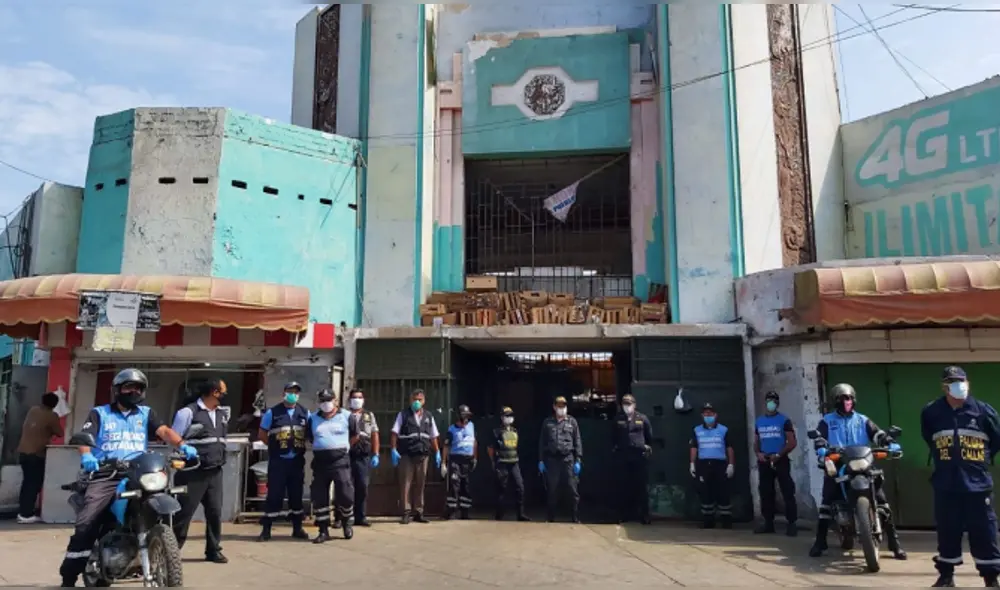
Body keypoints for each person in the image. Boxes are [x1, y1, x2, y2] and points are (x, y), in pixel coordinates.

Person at [59, 369, 197, 587]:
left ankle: (154, 543)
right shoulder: (100, 413)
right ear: (117, 390)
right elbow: (85, 439)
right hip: (106, 473)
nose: (133, 391)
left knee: (166, 496)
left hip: (137, 471)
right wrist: (86, 456)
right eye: (128, 387)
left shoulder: (146, 413)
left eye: (138, 388)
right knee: (88, 521)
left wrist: (182, 445)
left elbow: (164, 431)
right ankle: (70, 574)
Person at [921, 366, 1000, 587]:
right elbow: (929, 437)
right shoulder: (931, 413)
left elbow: (996, 440)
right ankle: (946, 576)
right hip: (946, 483)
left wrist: (978, 460)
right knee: (947, 530)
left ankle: (991, 578)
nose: (959, 385)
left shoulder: (984, 411)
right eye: (953, 382)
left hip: (977, 484)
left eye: (962, 381)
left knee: (984, 531)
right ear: (945, 387)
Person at [810, 383, 906, 560]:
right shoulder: (827, 421)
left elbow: (878, 434)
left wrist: (889, 442)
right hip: (839, 464)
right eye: (842, 398)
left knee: (882, 501)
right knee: (827, 500)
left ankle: (894, 543)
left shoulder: (862, 419)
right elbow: (820, 436)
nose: (846, 401)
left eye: (849, 398)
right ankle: (820, 542)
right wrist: (821, 445)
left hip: (863, 462)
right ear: (835, 401)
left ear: (854, 400)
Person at [170, 378, 230, 564]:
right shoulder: (187, 412)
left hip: (215, 471)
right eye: (223, 391)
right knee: (183, 513)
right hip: (192, 472)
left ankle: (213, 550)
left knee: (214, 512)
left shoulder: (221, 414)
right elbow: (174, 438)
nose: (225, 395)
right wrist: (184, 452)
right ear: (214, 392)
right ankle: (171, 552)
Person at [256, 382, 310, 542]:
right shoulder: (272, 413)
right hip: (278, 461)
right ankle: (266, 529)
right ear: (283, 393)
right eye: (289, 391)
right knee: (274, 495)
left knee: (296, 496)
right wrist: (274, 447)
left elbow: (308, 434)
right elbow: (262, 434)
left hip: (296, 461)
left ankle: (297, 528)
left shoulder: (304, 413)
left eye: (295, 392)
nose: (292, 394)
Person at [307, 389, 355, 543]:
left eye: (329, 400)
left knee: (345, 493)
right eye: (323, 401)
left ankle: (346, 522)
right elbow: (309, 437)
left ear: (336, 400)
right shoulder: (313, 418)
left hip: (340, 461)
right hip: (320, 463)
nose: (326, 404)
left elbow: (355, 436)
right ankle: (323, 530)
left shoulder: (347, 416)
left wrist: (341, 448)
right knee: (320, 496)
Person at [390, 388, 441, 524]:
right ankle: (406, 512)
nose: (417, 402)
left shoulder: (428, 416)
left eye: (420, 400)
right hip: (406, 454)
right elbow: (394, 433)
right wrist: (393, 449)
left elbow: (433, 436)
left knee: (421, 484)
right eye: (415, 399)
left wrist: (437, 452)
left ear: (424, 401)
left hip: (423, 454)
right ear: (410, 400)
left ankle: (419, 512)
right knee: (406, 484)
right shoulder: (403, 415)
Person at [753, 391, 798, 536]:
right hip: (765, 461)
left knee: (787, 491)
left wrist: (779, 455)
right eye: (768, 400)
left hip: (780, 460)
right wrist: (758, 454)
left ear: (777, 403)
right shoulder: (759, 421)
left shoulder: (784, 420)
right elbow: (756, 441)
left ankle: (792, 524)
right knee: (766, 492)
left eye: (773, 400)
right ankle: (768, 523)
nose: (770, 403)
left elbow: (792, 442)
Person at [16, 391, 63, 523]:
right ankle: (26, 515)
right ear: (55, 405)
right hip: (36, 455)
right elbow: (60, 432)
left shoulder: (33, 410)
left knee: (27, 483)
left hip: (23, 452)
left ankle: (23, 512)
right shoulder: (52, 415)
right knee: (34, 484)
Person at [689, 403, 735, 529]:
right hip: (704, 464)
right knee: (705, 492)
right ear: (702, 415)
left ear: (716, 415)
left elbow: (729, 448)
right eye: (705, 413)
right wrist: (692, 463)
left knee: (723, 492)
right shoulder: (697, 430)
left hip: (720, 464)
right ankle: (708, 520)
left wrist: (731, 464)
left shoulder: (723, 430)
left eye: (710, 413)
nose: (708, 416)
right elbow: (694, 448)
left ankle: (726, 520)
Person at [538, 396, 583, 523]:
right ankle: (550, 517)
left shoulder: (572, 422)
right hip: (552, 460)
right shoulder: (548, 422)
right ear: (554, 407)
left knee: (572, 489)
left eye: (563, 406)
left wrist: (578, 459)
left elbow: (577, 441)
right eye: (559, 406)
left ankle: (575, 517)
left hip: (568, 459)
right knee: (552, 489)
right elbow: (542, 442)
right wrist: (541, 460)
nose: (561, 409)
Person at [611, 393, 653, 524]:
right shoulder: (618, 419)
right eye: (625, 404)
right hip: (623, 456)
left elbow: (649, 435)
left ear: (634, 405)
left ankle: (644, 515)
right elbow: (612, 436)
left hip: (638, 456)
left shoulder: (642, 418)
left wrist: (645, 446)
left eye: (629, 404)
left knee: (641, 486)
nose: (627, 407)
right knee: (623, 486)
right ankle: (623, 515)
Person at [346, 388, 379, 528]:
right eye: (354, 397)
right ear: (349, 400)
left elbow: (375, 434)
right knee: (345, 486)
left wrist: (376, 453)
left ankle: (361, 516)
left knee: (362, 486)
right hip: (347, 454)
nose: (357, 400)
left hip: (363, 455)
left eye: (359, 397)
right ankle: (342, 517)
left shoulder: (368, 415)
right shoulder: (344, 414)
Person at [490, 406, 528, 521]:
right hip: (502, 463)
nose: (509, 418)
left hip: (514, 462)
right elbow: (491, 448)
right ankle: (499, 514)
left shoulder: (515, 431)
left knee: (520, 487)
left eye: (511, 416)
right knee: (502, 489)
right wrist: (493, 462)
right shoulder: (496, 432)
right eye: (507, 416)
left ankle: (520, 514)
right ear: (502, 417)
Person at [442, 404, 477, 520]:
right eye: (464, 416)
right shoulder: (452, 429)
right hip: (455, 459)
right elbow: (446, 446)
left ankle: (465, 512)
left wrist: (475, 457)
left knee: (465, 486)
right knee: (454, 485)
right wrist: (443, 462)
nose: (466, 419)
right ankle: (451, 511)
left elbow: (474, 443)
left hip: (467, 460)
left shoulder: (471, 426)